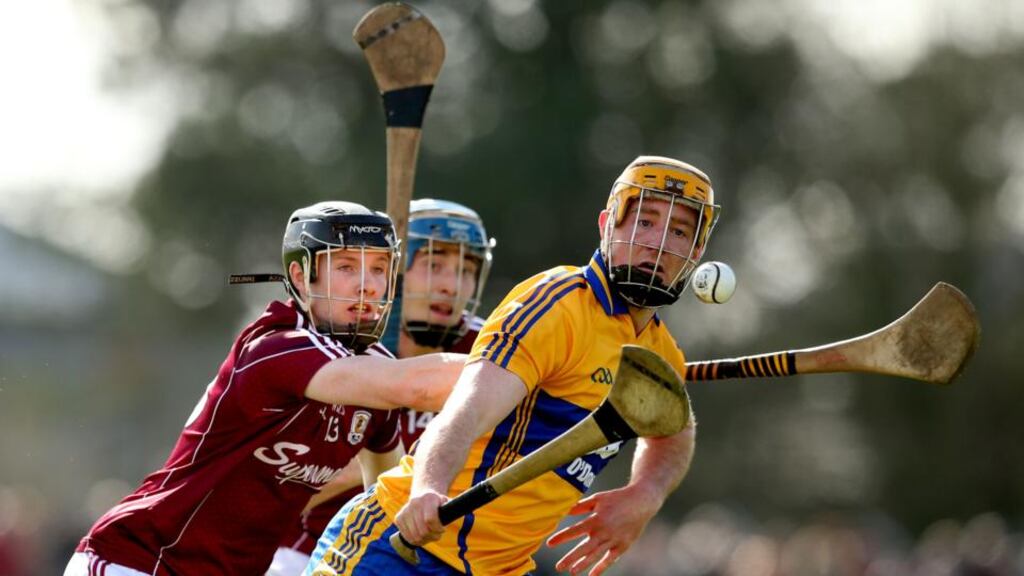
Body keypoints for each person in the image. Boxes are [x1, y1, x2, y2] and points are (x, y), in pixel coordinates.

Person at [306, 155, 721, 576]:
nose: (659, 242)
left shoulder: (660, 354)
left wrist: (645, 495)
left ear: (696, 251)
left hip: (499, 569)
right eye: (646, 222)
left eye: (679, 231)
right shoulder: (557, 308)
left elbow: (676, 431)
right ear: (608, 224)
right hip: (401, 547)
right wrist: (428, 488)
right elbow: (466, 412)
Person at [64, 201, 466, 576]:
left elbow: (386, 496)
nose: (368, 286)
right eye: (346, 267)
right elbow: (417, 387)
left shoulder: (377, 380)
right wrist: (516, 361)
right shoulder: (277, 349)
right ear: (300, 277)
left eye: (379, 268)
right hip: (138, 561)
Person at [267, 199, 495, 575]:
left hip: (431, 556)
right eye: (433, 265)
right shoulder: (328, 344)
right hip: (309, 551)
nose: (450, 286)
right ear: (394, 273)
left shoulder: (489, 346)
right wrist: (362, 467)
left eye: (465, 270)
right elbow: (269, 496)